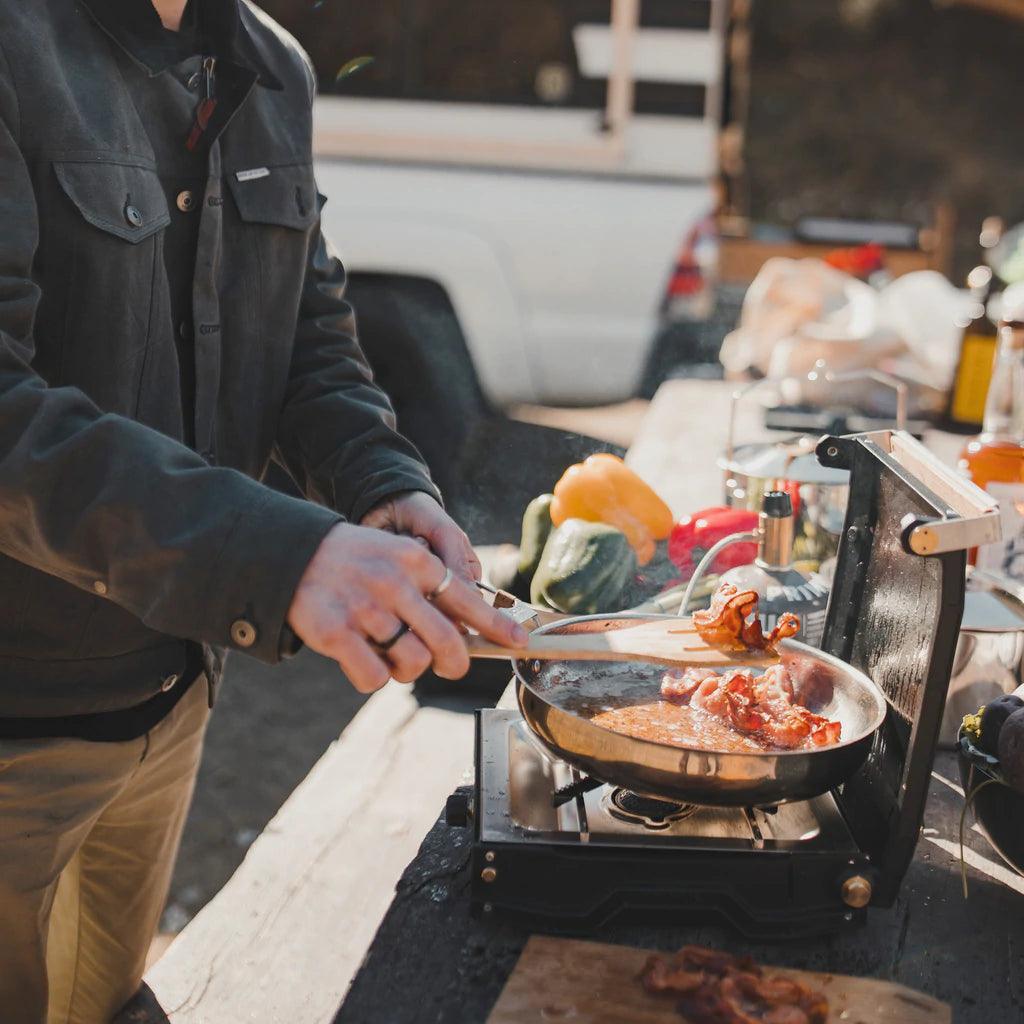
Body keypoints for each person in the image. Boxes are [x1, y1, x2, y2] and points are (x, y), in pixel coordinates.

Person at [0, 1, 527, 1021]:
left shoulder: (272, 64)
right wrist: (275, 557)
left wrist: (384, 483)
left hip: (174, 701)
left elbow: (305, 329)